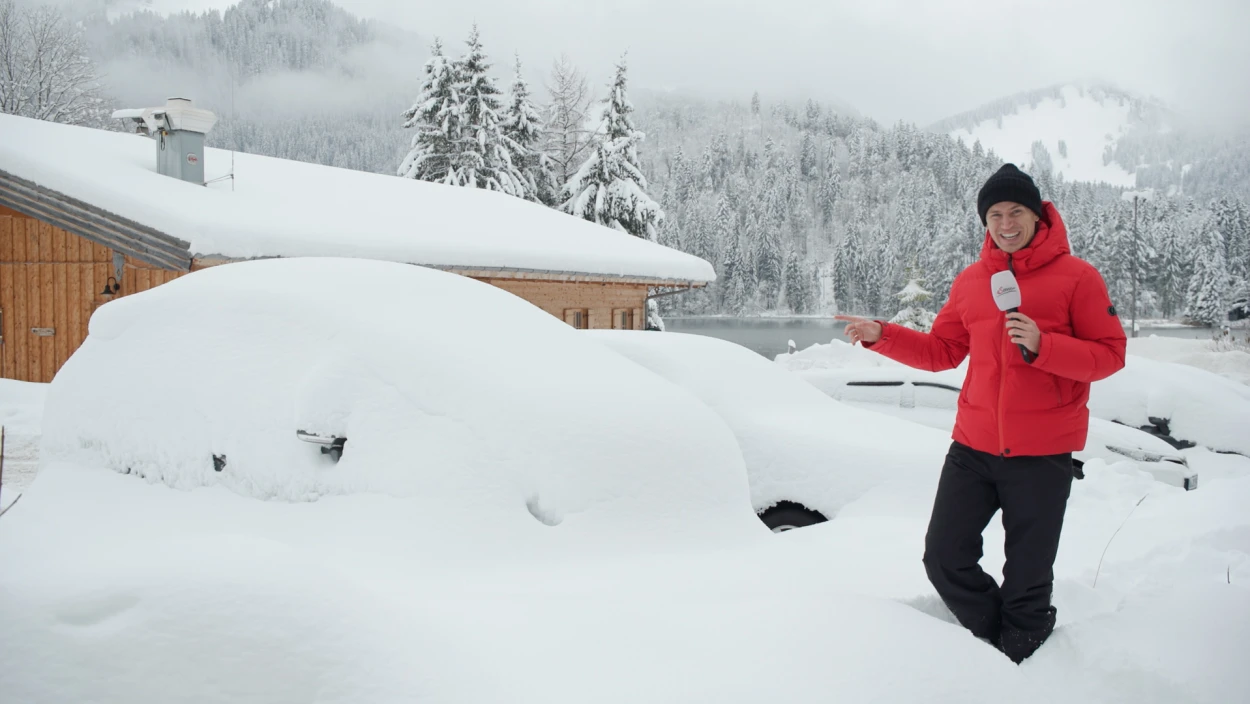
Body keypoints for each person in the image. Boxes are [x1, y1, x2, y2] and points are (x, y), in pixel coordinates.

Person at [835, 164, 1127, 663]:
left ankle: (1025, 663)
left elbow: (1110, 354)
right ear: (984, 221)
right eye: (995, 214)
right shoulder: (973, 281)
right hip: (972, 447)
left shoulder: (1078, 279)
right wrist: (882, 334)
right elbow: (943, 351)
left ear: (1038, 217)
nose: (1006, 223)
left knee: (1028, 577)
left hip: (1042, 453)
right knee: (944, 557)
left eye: (1016, 211)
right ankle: (997, 652)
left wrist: (1044, 344)